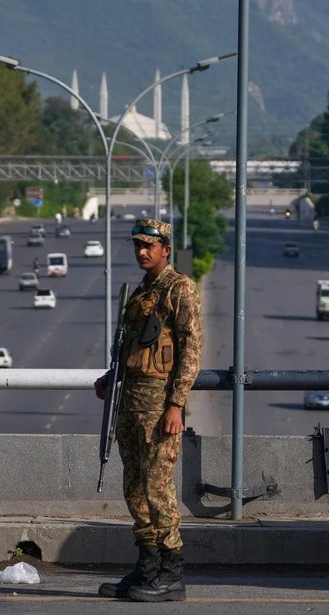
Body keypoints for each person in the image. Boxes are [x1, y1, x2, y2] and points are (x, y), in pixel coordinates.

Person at [93, 219, 202, 603]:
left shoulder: (179, 288)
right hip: (132, 400)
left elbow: (191, 350)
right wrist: (112, 376)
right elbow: (134, 348)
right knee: (135, 487)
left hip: (159, 403)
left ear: (165, 250)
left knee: (158, 488)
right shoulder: (142, 290)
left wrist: (176, 404)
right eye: (138, 245)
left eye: (149, 246)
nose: (142, 251)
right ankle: (147, 565)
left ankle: (172, 573)